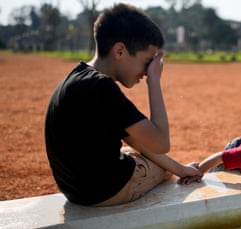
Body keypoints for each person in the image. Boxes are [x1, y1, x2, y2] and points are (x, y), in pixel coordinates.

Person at [44, 3, 200, 207]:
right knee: (160, 167)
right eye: (146, 61)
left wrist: (180, 168)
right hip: (107, 191)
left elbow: (135, 140)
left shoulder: (77, 77)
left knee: (137, 152)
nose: (147, 70)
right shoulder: (102, 87)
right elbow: (161, 143)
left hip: (75, 192)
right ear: (120, 51)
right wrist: (154, 81)